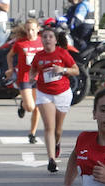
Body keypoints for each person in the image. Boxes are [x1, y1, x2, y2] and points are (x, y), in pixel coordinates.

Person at [29, 26, 78, 169]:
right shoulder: (39, 56)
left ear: (56, 40)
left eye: (50, 37)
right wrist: (32, 77)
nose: (47, 39)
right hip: (45, 94)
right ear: (41, 40)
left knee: (57, 130)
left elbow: (76, 70)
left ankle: (57, 143)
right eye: (44, 37)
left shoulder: (62, 53)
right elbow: (33, 70)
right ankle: (51, 160)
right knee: (49, 127)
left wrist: (62, 70)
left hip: (62, 93)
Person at [7, 18, 46, 145]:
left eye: (33, 30)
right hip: (25, 77)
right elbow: (10, 55)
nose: (30, 32)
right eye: (28, 30)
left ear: (38, 30)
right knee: (30, 107)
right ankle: (23, 105)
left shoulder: (42, 41)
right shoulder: (20, 43)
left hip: (39, 77)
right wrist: (10, 69)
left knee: (37, 108)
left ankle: (32, 133)